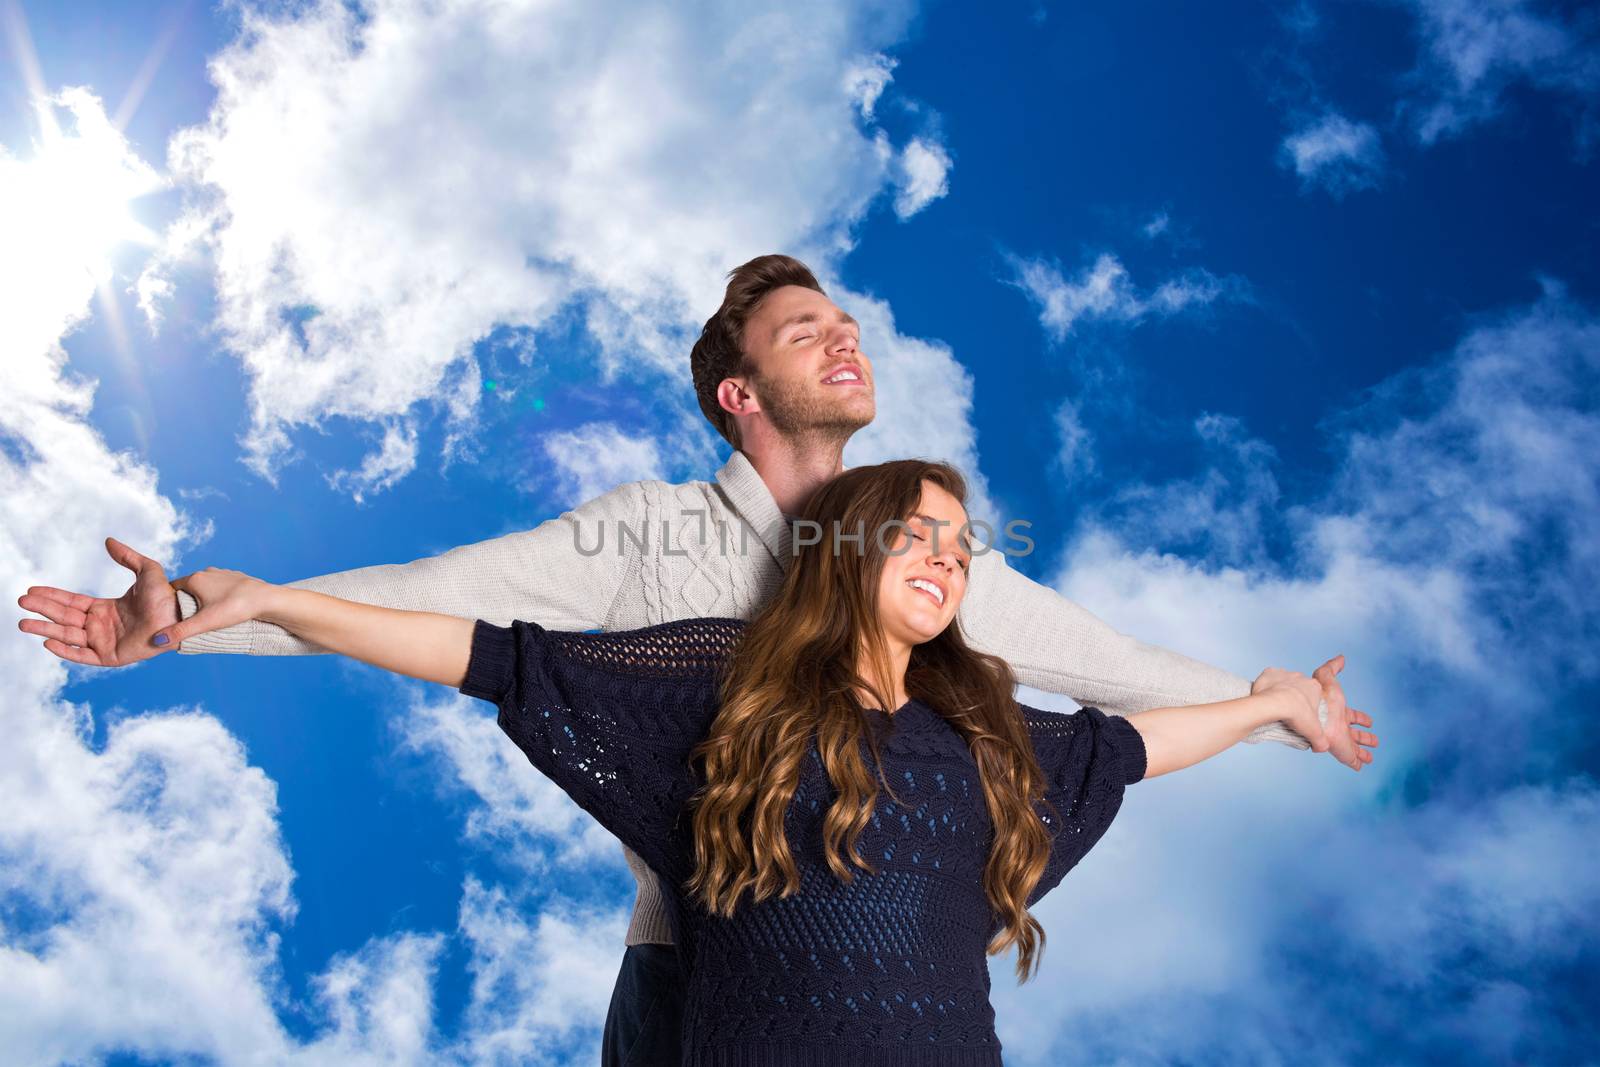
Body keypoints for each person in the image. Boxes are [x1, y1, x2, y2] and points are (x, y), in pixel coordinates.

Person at [16, 255, 1374, 1065]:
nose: (846, 338)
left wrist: (1278, 704)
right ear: (740, 391)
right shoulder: (651, 535)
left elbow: (1122, 682)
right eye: (805, 330)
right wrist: (199, 614)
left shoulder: (935, 564)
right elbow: (430, 611)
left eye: (848, 322)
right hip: (693, 982)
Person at [151, 459, 1369, 1066]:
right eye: (914, 533)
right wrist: (281, 604)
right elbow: (489, 652)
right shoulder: (724, 683)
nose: (947, 556)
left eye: (962, 541)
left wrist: (1272, 708)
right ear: (842, 551)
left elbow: (1135, 741)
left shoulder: (989, 736)